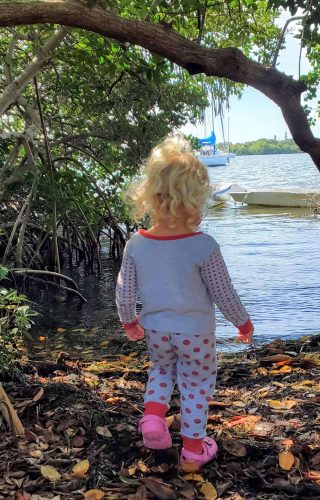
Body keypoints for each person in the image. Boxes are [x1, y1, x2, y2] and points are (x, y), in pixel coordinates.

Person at [116, 135, 254, 470]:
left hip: (156, 330)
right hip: (195, 333)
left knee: (162, 370)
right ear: (195, 201)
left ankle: (152, 420)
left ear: (151, 196)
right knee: (196, 382)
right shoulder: (203, 246)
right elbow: (224, 293)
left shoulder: (137, 243)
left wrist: (128, 320)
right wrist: (242, 322)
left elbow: (125, 291)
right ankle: (193, 450)